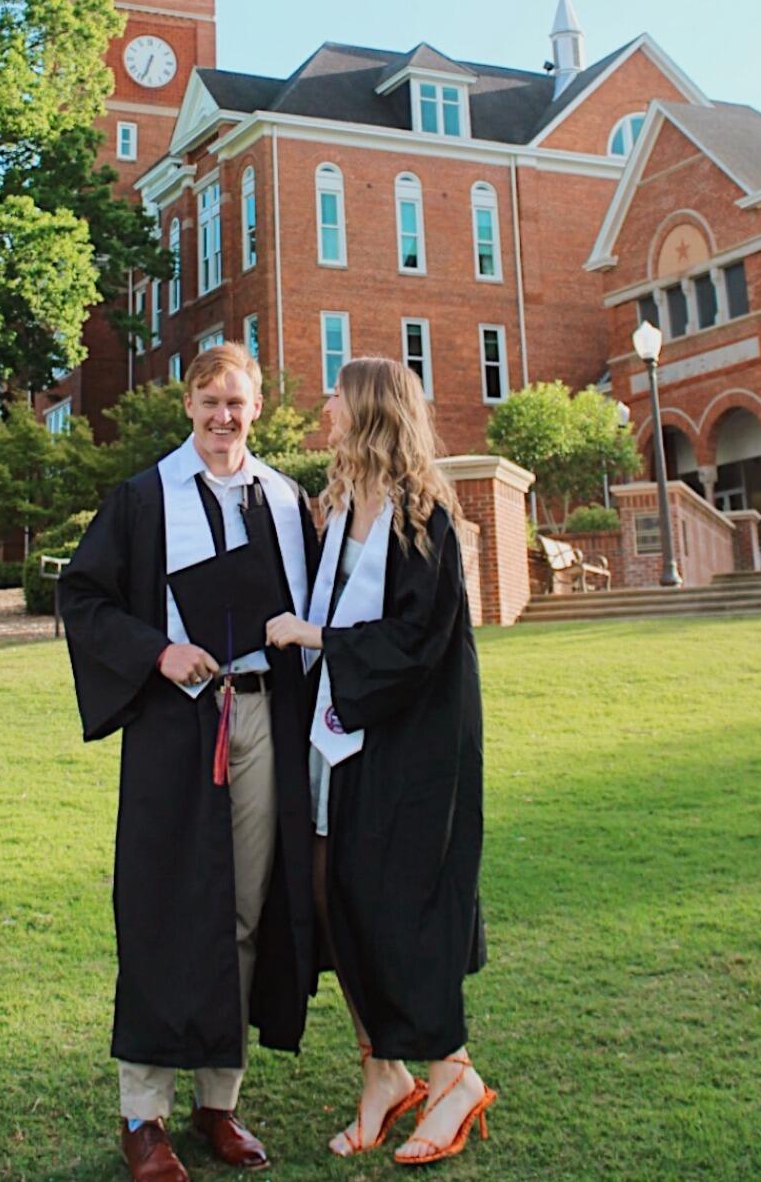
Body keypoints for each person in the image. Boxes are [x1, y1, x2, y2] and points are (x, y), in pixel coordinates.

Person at [58, 344, 318, 1182]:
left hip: (261, 714)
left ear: (258, 407)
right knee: (164, 907)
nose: (222, 417)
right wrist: (158, 649)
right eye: (209, 402)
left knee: (245, 908)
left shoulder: (284, 498)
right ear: (187, 405)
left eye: (236, 403)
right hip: (178, 723)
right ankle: (145, 1115)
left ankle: (219, 1101)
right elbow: (85, 598)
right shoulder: (143, 498)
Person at [266, 356, 493, 1167]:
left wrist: (316, 636)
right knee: (333, 894)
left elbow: (416, 644)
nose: (324, 404)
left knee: (404, 901)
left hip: (411, 746)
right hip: (341, 737)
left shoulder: (423, 515)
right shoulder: (338, 507)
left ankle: (452, 1072)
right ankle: (382, 1072)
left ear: (367, 412)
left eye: (337, 394)